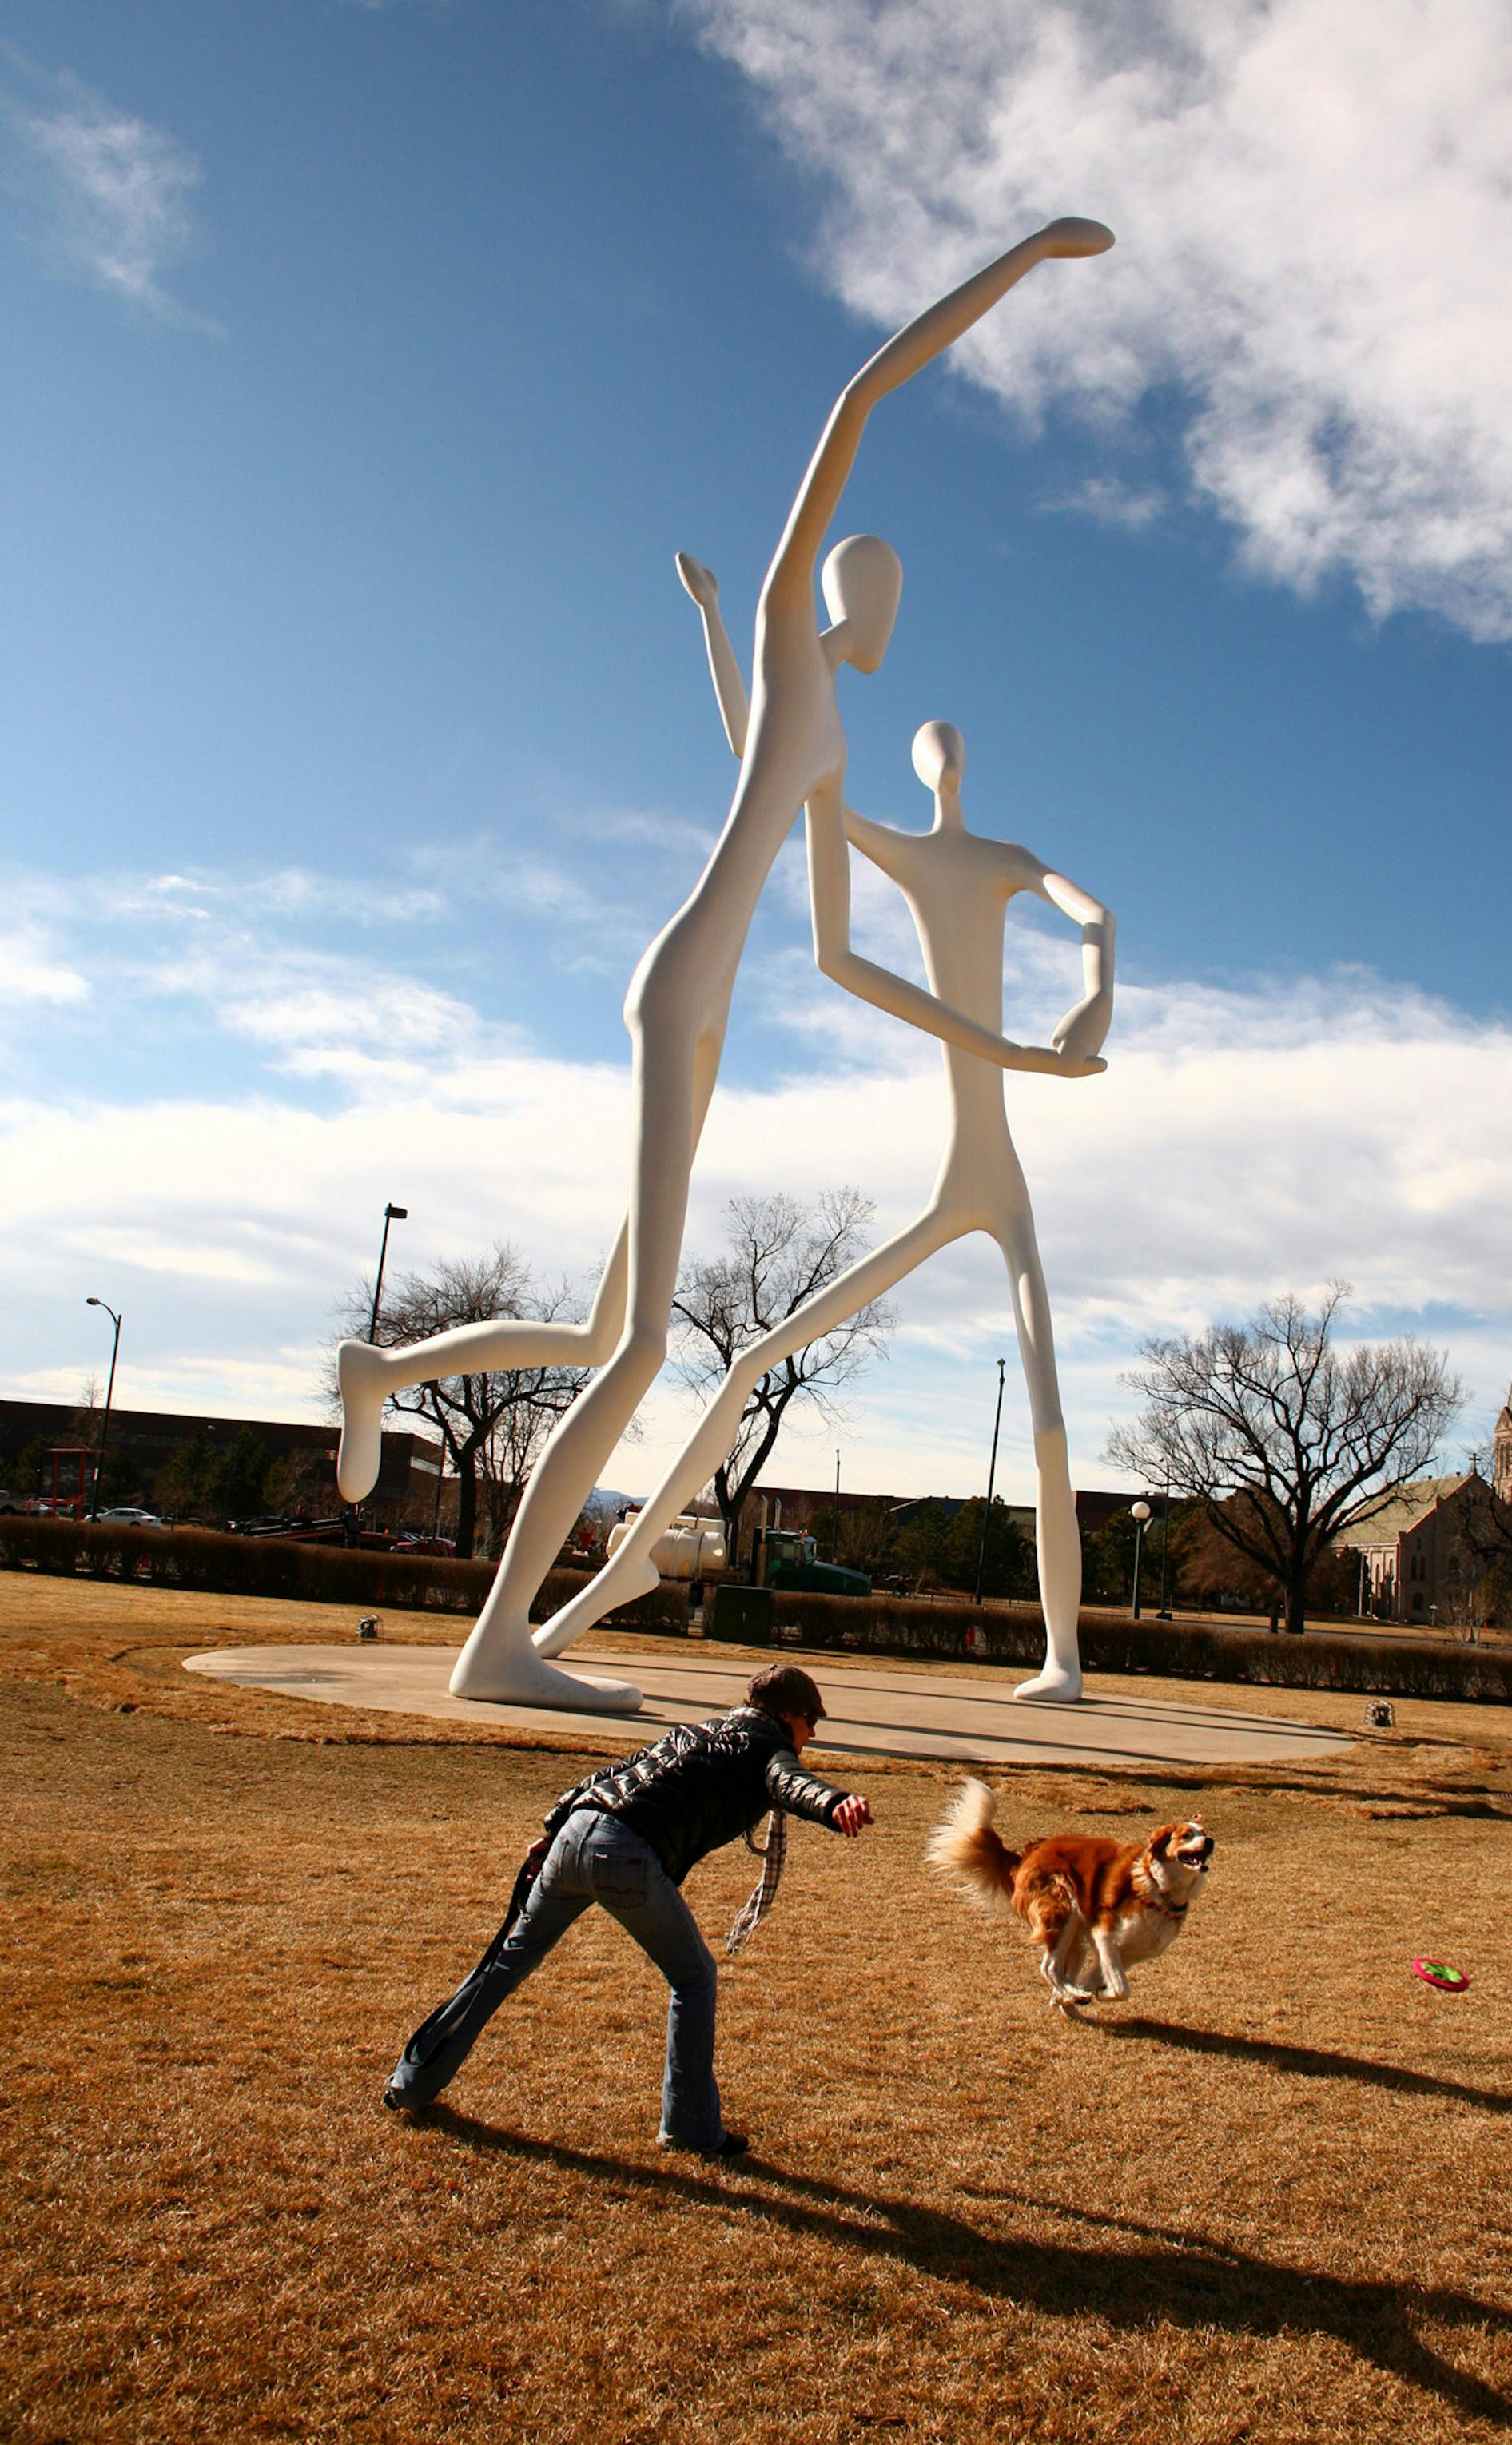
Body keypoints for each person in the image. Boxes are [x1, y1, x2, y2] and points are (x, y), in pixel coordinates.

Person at [332, 217, 1115, 1712]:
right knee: (633, 1346)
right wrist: (1022, 261)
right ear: (845, 594)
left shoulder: (814, 738)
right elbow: (857, 405)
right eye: (878, 592)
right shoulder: (794, 636)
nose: (890, 620)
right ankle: (501, 1646)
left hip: (714, 1010)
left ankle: (386, 1369)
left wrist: (1008, 1056)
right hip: (682, 982)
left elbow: (833, 954)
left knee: (587, 1328)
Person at [534, 713, 1113, 1701]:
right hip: (956, 1181)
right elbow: (779, 764)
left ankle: (1062, 1657)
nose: (946, 763)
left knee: (1050, 1420)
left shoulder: (1008, 859)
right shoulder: (893, 846)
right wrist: (742, 647)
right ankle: (616, 1576)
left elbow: (1094, 912)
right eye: (934, 750)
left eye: (951, 748)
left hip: (999, 1176)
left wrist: (1096, 992)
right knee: (757, 1356)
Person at [381, 1663, 870, 2156]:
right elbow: (793, 1784)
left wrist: (553, 1830)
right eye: (812, 1721)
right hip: (626, 1854)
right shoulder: (769, 1748)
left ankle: (410, 2084)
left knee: (504, 1965)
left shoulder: (697, 1729)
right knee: (695, 1977)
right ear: (788, 1715)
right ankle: (690, 2129)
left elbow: (612, 1774)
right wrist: (836, 1804)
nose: (813, 1733)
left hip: (575, 1835)